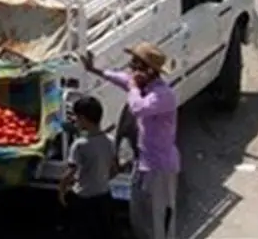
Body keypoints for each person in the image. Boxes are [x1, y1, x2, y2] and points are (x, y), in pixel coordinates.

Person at [83, 43, 180, 239]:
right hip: (143, 163)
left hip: (159, 167)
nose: (131, 69)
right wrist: (95, 70)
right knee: (139, 215)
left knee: (156, 218)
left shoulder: (163, 95)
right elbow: (121, 79)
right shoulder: (141, 86)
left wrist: (134, 87)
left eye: (136, 65)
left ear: (149, 71)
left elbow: (138, 108)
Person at [59, 95, 116, 239]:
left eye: (76, 117)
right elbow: (114, 169)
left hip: (84, 198)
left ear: (83, 119)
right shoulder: (110, 140)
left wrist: (61, 191)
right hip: (104, 196)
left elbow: (70, 173)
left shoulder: (79, 145)